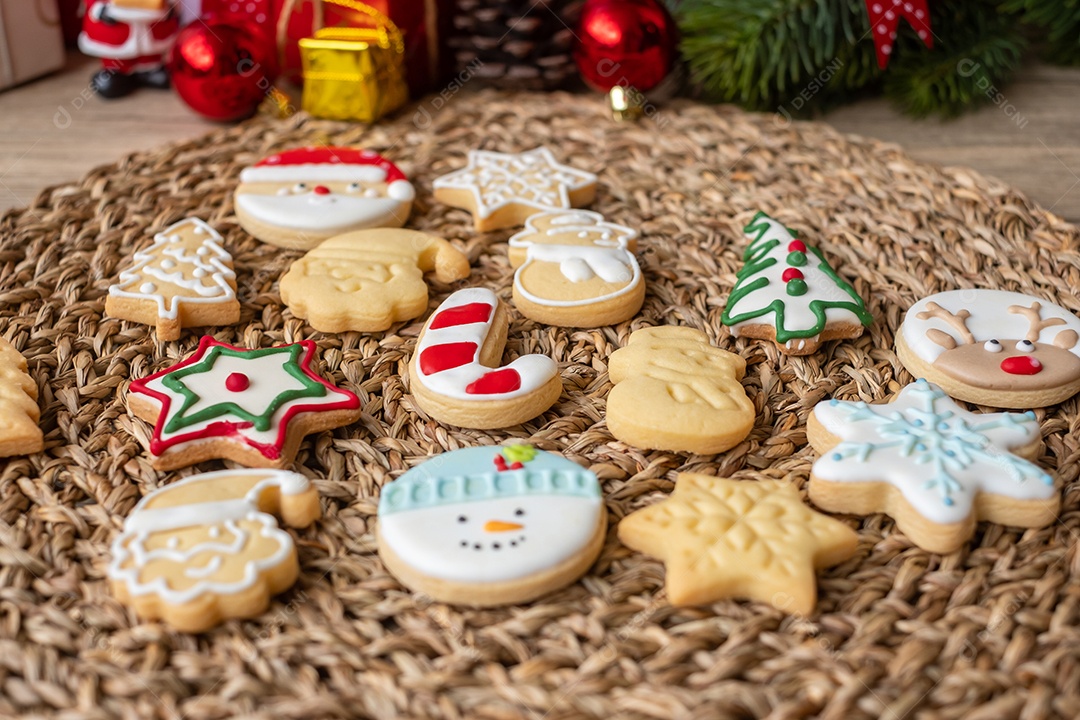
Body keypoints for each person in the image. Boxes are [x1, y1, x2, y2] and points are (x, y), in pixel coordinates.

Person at [78, 0, 179, 99]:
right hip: (117, 27)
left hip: (154, 24)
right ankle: (116, 72)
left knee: (150, 52)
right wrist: (100, 10)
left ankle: (150, 69)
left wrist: (170, 6)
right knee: (117, 58)